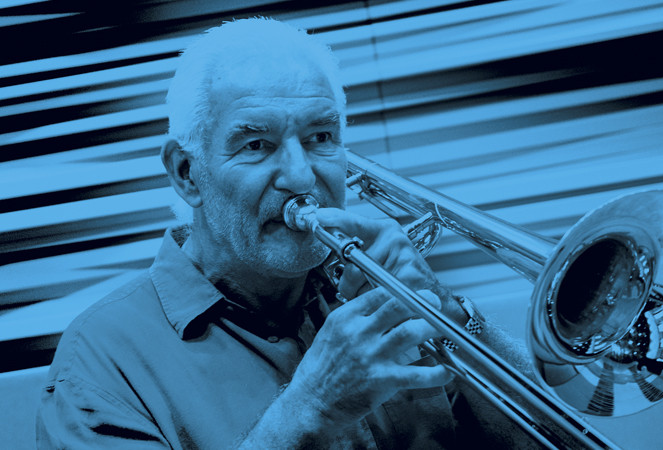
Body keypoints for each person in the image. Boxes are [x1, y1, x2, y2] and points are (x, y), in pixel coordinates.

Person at [36, 17, 536, 449]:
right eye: (256, 144)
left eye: (321, 137)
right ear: (187, 174)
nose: (300, 176)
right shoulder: (99, 363)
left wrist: (448, 315)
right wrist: (309, 410)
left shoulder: (379, 295)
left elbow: (557, 435)